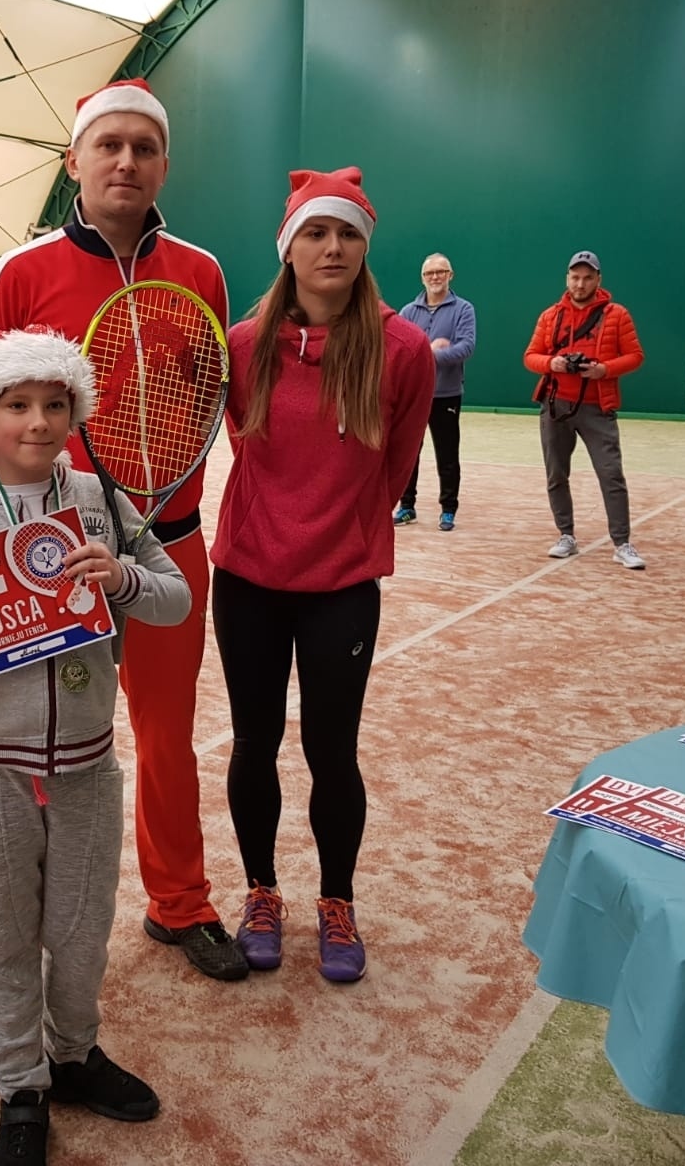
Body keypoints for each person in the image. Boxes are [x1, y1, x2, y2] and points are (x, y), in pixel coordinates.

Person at [0, 79, 248, 982]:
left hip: (171, 544)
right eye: (108, 145)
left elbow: (213, 398)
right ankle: (42, 923)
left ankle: (181, 904)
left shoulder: (201, 272)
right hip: (46, 558)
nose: (126, 161)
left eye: (145, 147)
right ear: (74, 160)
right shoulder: (22, 270)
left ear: (165, 162)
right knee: (49, 742)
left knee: (166, 737)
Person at [0, 328, 190, 1166]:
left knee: (79, 928)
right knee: (0, 936)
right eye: (17, 405)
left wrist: (126, 578)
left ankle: (72, 1055)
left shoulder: (103, 501)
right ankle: (20, 1086)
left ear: (76, 412)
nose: (38, 421)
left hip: (85, 763)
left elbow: (173, 599)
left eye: (55, 404)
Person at [212, 167, 433, 982]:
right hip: (248, 580)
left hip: (343, 585)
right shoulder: (244, 344)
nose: (331, 247)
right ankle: (261, 891)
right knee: (255, 741)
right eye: (315, 232)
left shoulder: (402, 349)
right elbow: (243, 445)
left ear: (365, 246)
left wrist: (341, 532)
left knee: (330, 751)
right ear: (290, 248)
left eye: (346, 233)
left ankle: (336, 902)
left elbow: (397, 462)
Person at [523, 251, 647, 569]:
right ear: (567, 278)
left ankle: (622, 543)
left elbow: (635, 356)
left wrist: (604, 370)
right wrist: (552, 363)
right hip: (555, 406)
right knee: (556, 474)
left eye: (587, 277)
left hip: (597, 407)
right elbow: (530, 356)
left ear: (598, 280)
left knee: (611, 474)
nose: (580, 283)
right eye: (575, 277)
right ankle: (566, 535)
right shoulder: (550, 316)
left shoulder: (616, 315)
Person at [395, 253, 475, 530]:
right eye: (430, 273)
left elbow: (466, 347)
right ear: (423, 278)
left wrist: (429, 355)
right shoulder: (408, 312)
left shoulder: (464, 309)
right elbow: (399, 351)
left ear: (450, 275)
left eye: (441, 272)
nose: (435, 277)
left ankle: (448, 509)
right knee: (407, 453)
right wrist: (428, 352)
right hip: (412, 396)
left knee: (447, 454)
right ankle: (406, 506)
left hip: (446, 395)